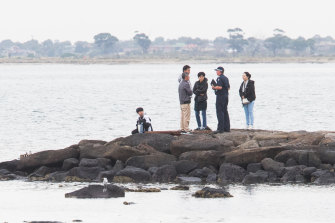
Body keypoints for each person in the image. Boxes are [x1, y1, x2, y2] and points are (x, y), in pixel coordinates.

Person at [211, 66, 230, 134]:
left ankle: (220, 128)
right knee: (225, 111)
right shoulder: (226, 78)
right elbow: (228, 87)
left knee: (220, 111)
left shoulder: (219, 78)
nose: (216, 72)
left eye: (217, 71)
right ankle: (227, 128)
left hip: (220, 96)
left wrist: (214, 87)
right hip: (226, 96)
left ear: (220, 71)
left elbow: (220, 87)